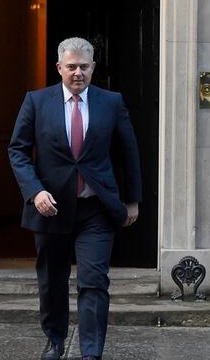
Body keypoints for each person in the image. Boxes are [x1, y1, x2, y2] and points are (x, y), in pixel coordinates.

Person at [9, 37, 142, 360]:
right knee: (52, 281)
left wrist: (132, 200)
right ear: (59, 68)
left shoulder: (111, 102)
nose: (78, 73)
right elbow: (18, 151)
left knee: (93, 281)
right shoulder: (37, 102)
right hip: (51, 209)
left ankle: (91, 353)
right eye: (71, 67)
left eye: (84, 67)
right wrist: (35, 191)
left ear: (93, 67)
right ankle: (55, 341)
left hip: (96, 209)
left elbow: (128, 152)